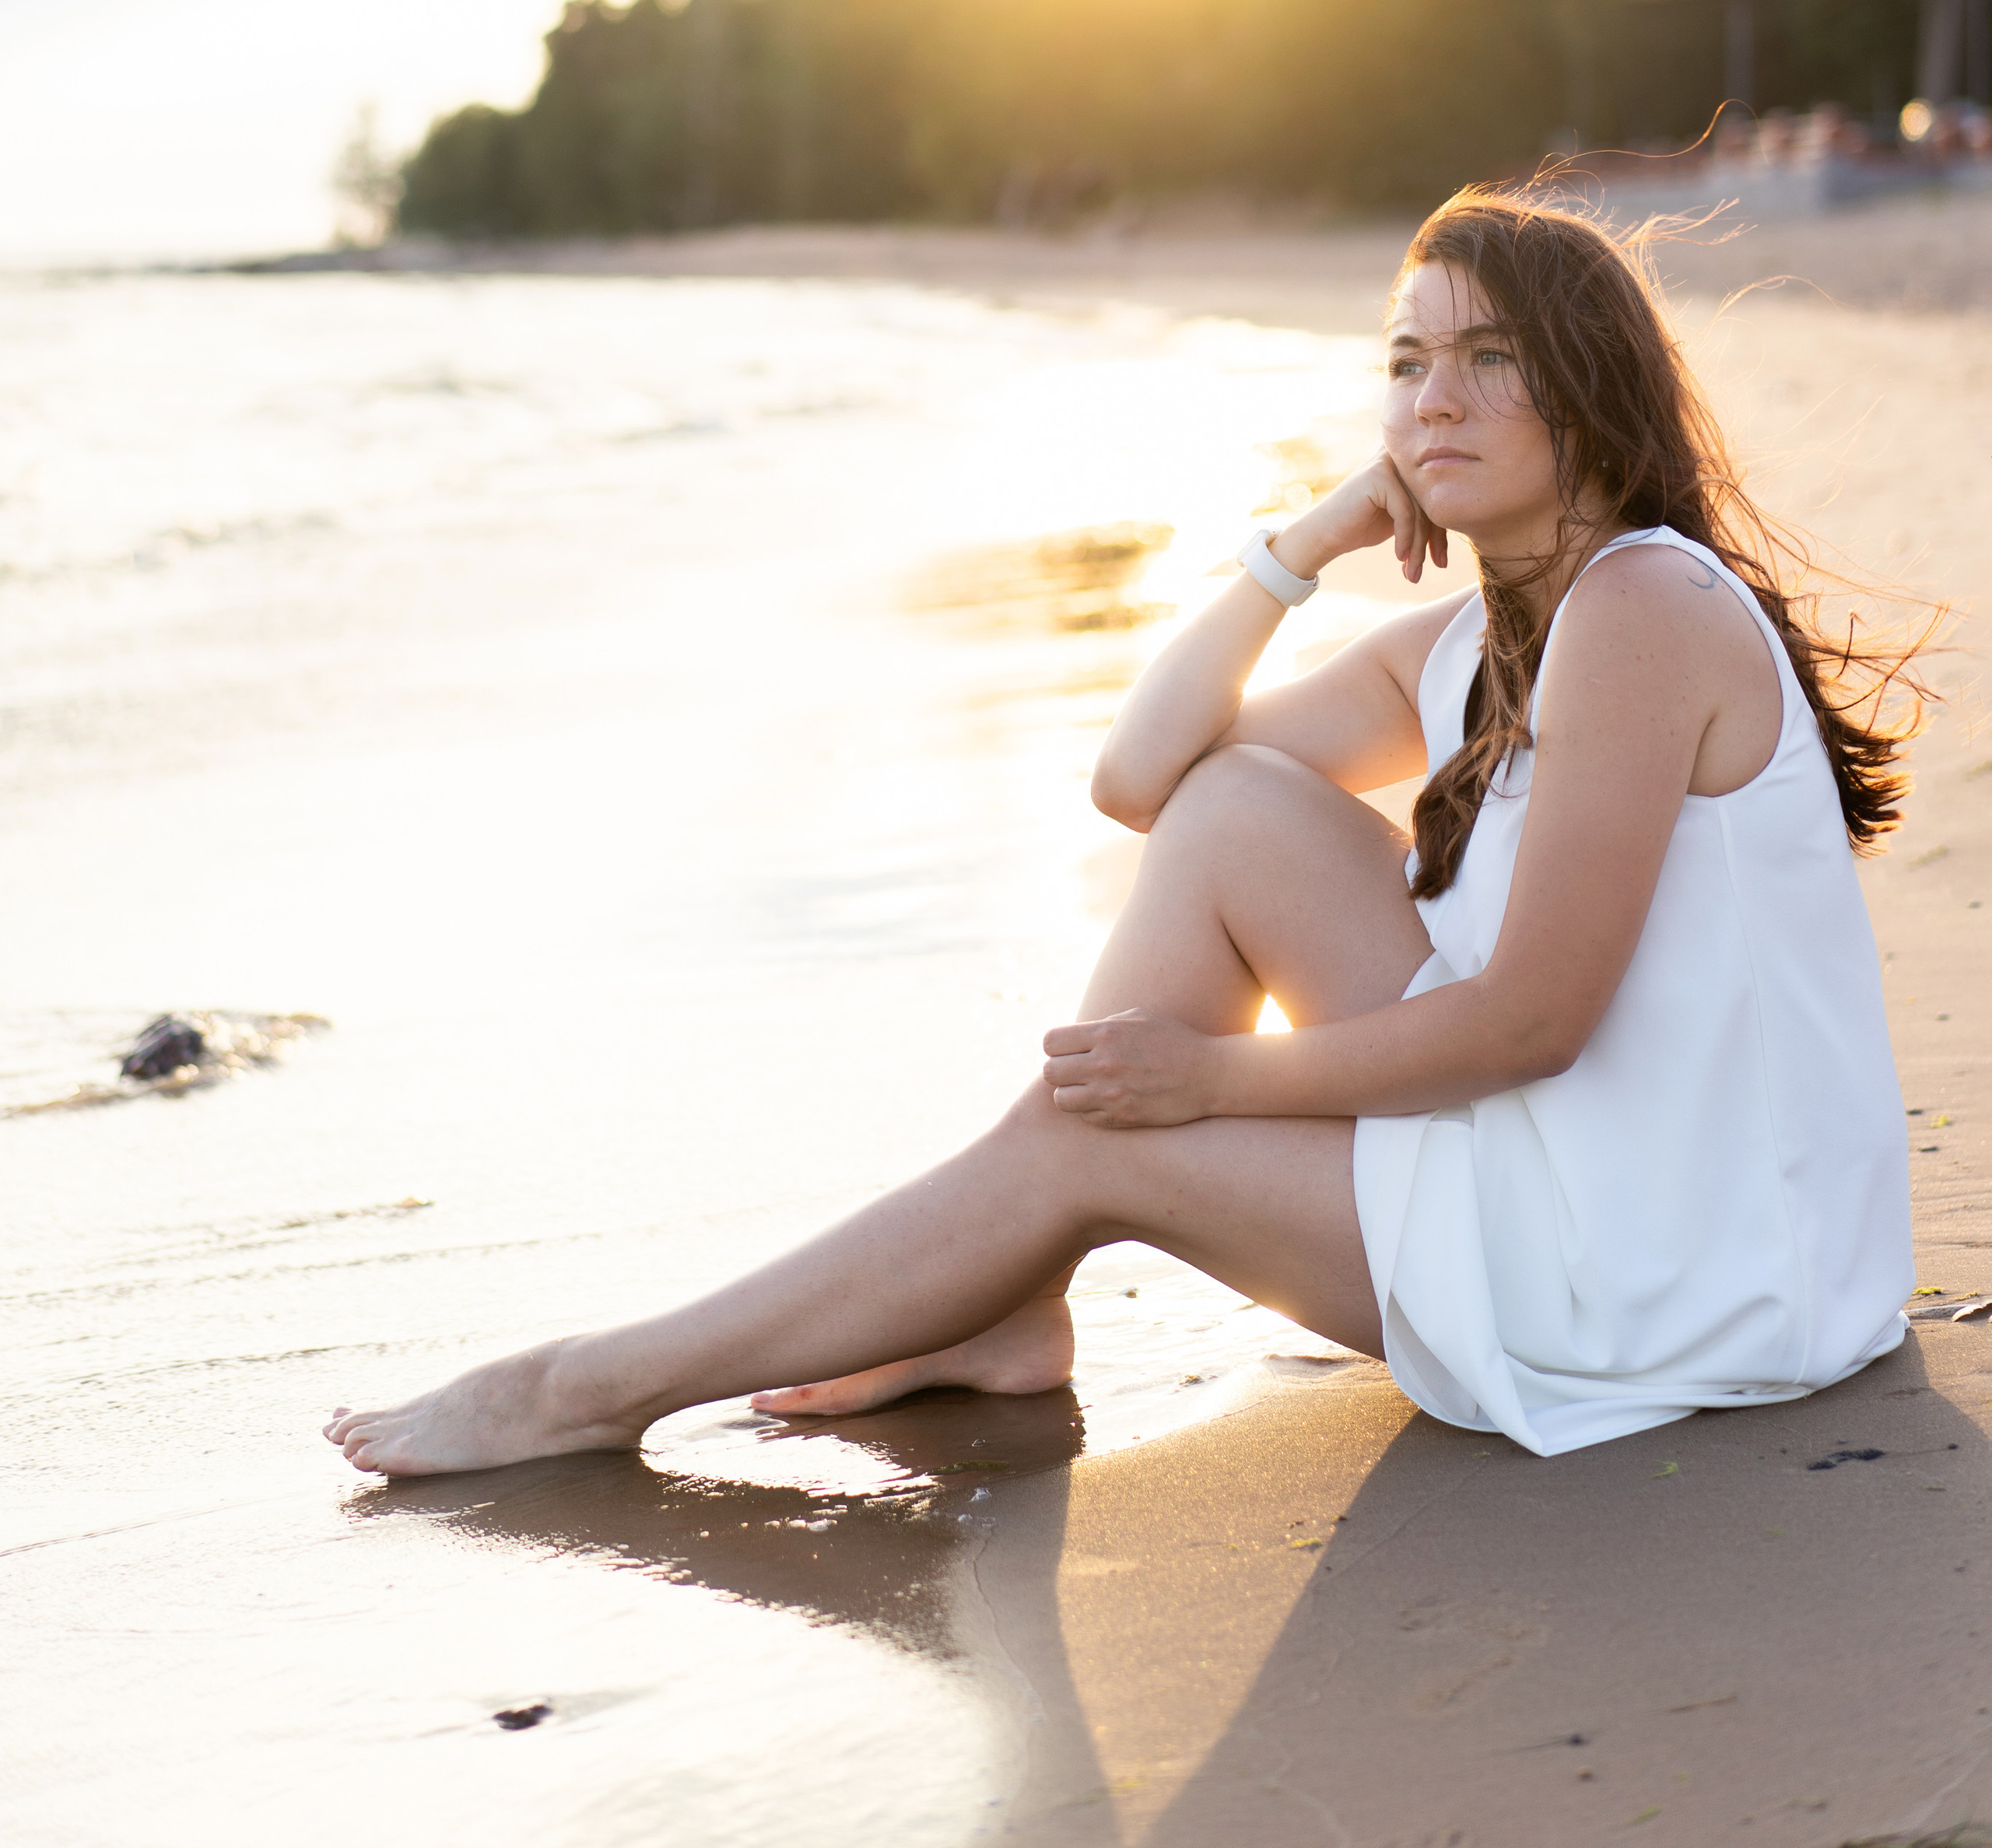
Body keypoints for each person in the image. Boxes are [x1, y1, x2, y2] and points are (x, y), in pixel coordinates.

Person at [325, 190, 1927, 1477]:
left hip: (1671, 1270)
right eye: (1405, 359)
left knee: (1096, 1128)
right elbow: (1145, 776)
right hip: (1607, 1185)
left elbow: (1531, 1020)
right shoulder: (1465, 642)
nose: (1431, 398)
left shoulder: (1638, 603)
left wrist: (1212, 1084)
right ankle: (1000, 1298)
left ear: (1589, 389)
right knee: (1234, 807)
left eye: (1489, 359)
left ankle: (594, 1385)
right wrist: (1304, 540)